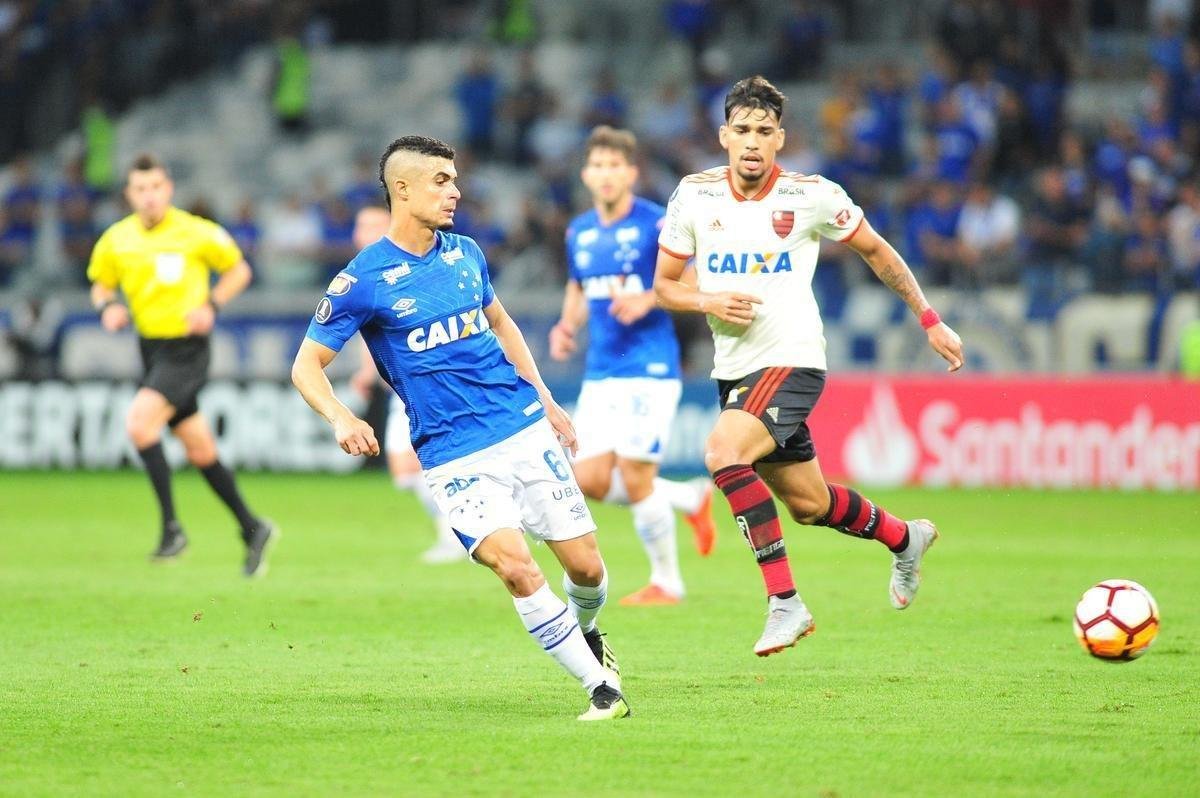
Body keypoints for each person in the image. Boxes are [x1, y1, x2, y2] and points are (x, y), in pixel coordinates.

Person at [291, 136, 629, 720]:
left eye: (455, 179)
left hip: (522, 428)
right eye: (441, 181)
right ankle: (601, 688)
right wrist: (341, 416)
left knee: (588, 569)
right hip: (453, 452)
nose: (456, 191)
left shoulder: (466, 253)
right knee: (515, 566)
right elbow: (305, 365)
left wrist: (546, 399)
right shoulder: (363, 280)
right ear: (402, 189)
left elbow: (502, 324)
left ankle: (590, 632)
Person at [654, 76, 964, 657]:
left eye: (764, 132)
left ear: (780, 140)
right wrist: (708, 300)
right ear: (723, 136)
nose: (752, 142)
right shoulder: (694, 195)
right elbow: (664, 287)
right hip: (735, 368)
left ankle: (785, 604)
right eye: (742, 130)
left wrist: (929, 319)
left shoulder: (812, 194)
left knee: (722, 454)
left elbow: (877, 249)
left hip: (792, 358)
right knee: (809, 505)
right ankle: (906, 537)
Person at [549, 125, 716, 606]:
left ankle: (668, 581)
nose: (605, 174)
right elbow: (580, 287)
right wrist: (566, 326)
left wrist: (650, 296)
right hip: (601, 370)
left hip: (650, 366)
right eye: (597, 165)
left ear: (631, 173)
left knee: (638, 477)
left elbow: (693, 270)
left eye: (614, 166)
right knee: (589, 480)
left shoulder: (655, 224)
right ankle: (688, 498)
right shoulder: (578, 230)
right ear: (586, 173)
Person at [87, 154, 276, 576]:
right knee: (200, 449)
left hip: (187, 349)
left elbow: (238, 271)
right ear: (129, 194)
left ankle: (172, 529)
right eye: (140, 189)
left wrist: (212, 304)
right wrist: (108, 307)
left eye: (156, 187)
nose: (149, 196)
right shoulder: (117, 239)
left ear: (167, 189)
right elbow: (100, 285)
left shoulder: (195, 232)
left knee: (139, 424)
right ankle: (252, 527)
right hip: (150, 348)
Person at [348, 204, 465, 564]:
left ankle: (459, 532)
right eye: (360, 224)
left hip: (435, 385)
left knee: (421, 465)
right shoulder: (361, 275)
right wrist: (368, 373)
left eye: (374, 224)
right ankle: (460, 527)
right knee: (405, 472)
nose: (365, 231)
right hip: (405, 392)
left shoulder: (406, 266)